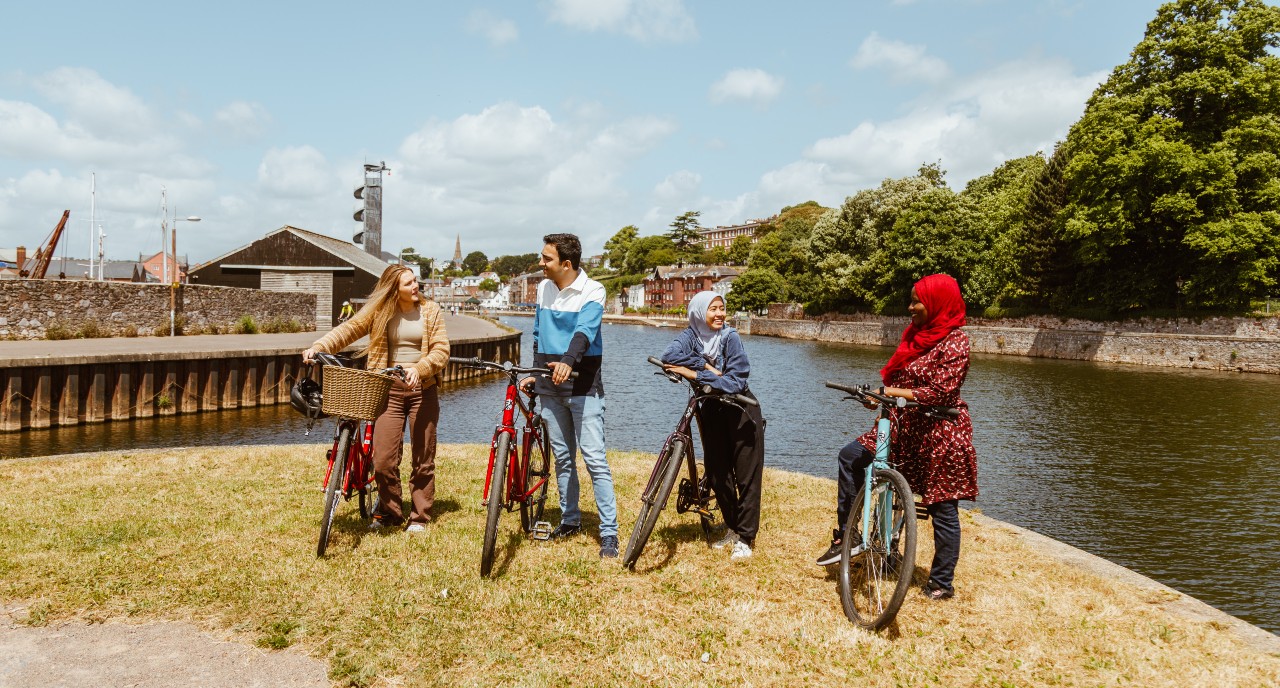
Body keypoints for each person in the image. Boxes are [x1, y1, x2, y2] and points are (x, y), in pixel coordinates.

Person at [814, 274, 978, 601]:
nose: (911, 306)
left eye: (917, 300)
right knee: (850, 457)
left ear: (936, 303)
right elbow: (899, 377)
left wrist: (887, 391)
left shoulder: (956, 341)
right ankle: (849, 536)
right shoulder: (916, 335)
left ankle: (941, 583)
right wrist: (879, 399)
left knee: (943, 508)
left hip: (938, 434)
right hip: (901, 425)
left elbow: (942, 393)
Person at [303, 265, 450, 533]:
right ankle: (390, 512)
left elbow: (442, 350)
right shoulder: (381, 311)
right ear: (395, 289)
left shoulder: (431, 310)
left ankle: (419, 517)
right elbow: (349, 329)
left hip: (423, 390)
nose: (415, 286)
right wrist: (318, 346)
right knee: (383, 460)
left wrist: (419, 368)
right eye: (408, 284)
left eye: (415, 281)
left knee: (423, 457)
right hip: (388, 390)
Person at [518, 233, 619, 558]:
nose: (541, 263)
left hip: (582, 384)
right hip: (550, 385)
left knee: (593, 458)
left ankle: (609, 534)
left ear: (566, 263)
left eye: (546, 259)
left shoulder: (593, 290)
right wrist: (535, 371)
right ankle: (570, 520)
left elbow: (585, 332)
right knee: (562, 458)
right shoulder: (545, 288)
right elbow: (537, 333)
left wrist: (567, 361)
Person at [660, 291, 764, 561]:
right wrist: (704, 364)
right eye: (713, 309)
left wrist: (694, 373)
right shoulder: (691, 335)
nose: (719, 314)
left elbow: (735, 382)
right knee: (718, 474)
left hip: (741, 409)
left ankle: (746, 537)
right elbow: (669, 355)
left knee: (746, 477)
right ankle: (732, 527)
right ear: (699, 312)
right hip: (712, 408)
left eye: (722, 308)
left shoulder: (731, 338)